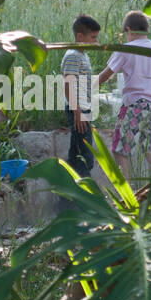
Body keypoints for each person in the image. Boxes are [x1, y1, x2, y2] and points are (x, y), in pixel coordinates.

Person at [97, 11, 151, 184]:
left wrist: (86, 88)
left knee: (120, 149)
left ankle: (125, 195)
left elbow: (105, 76)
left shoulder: (127, 49)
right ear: (146, 29)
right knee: (150, 149)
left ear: (129, 29)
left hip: (134, 104)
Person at [61, 14, 100, 177]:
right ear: (79, 36)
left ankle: (67, 197)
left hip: (83, 109)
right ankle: (84, 197)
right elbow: (68, 84)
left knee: (76, 155)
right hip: (78, 110)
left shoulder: (82, 55)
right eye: (93, 37)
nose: (96, 42)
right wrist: (77, 112)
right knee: (85, 158)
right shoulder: (73, 56)